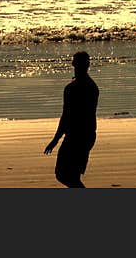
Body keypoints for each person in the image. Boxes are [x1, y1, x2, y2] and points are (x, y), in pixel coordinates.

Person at [44, 51, 99, 188]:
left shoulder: (72, 88)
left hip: (76, 137)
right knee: (71, 175)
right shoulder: (92, 87)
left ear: (74, 64)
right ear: (88, 65)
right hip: (88, 135)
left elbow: (66, 116)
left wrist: (55, 140)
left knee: (63, 174)